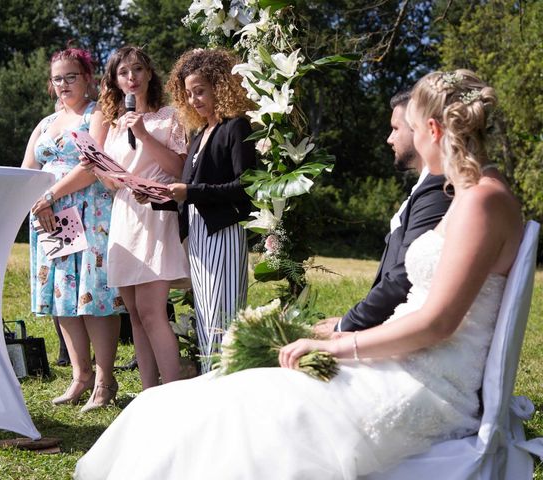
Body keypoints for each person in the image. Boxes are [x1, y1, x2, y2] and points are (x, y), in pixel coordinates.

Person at [74, 69, 523, 479]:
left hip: (424, 383)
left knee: (237, 409)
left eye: (401, 127)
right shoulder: (472, 192)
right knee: (194, 399)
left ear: (432, 129)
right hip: (405, 360)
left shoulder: (480, 201)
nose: (393, 136)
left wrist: (337, 344)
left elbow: (436, 323)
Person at [21, 47, 123, 412]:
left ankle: (104, 380)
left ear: (88, 78)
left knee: (91, 297)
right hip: (50, 217)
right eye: (57, 78)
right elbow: (27, 170)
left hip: (88, 212)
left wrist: (48, 195)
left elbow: (92, 165)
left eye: (70, 77)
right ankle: (79, 376)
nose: (63, 84)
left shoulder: (98, 114)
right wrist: (35, 202)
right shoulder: (46, 124)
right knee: (64, 298)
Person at [89, 46, 190, 389]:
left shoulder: (169, 117)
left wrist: (144, 134)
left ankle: (174, 390)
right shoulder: (114, 124)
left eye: (137, 70)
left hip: (156, 214)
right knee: (133, 313)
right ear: (115, 81)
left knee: (151, 310)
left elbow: (179, 169)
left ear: (149, 74)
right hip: (125, 213)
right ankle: (149, 392)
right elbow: (108, 179)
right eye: (123, 72)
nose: (131, 77)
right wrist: (106, 172)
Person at [316, 90, 453, 336]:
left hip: (403, 332)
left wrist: (347, 327)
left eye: (396, 129)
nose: (389, 139)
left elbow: (403, 277)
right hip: (390, 325)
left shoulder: (438, 187)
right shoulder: (427, 185)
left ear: (421, 128)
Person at [162, 48, 257, 373]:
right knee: (205, 315)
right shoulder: (200, 133)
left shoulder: (236, 128)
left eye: (200, 91)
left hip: (224, 230)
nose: (193, 100)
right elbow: (190, 192)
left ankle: (226, 385)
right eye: (188, 94)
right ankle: (210, 382)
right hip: (199, 234)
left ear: (220, 86)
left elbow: (246, 187)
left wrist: (190, 191)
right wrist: (157, 196)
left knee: (224, 315)